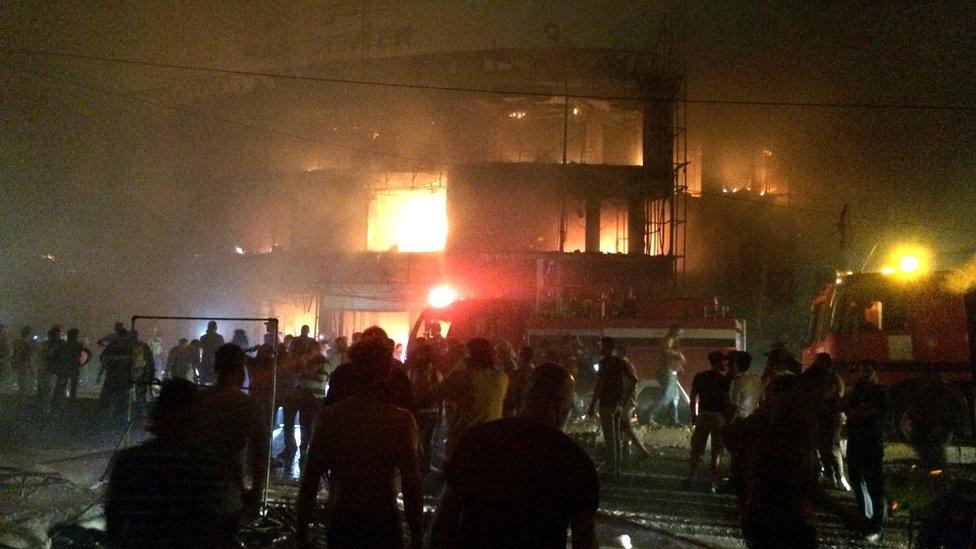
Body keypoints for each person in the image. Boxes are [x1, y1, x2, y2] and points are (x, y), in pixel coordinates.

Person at [429, 363, 599, 548]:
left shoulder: (478, 439)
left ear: (526, 397)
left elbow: (445, 519)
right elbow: (584, 540)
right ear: (560, 404)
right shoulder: (574, 460)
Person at [296, 335, 424, 549]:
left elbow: (310, 478)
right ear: (387, 371)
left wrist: (301, 534)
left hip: (343, 517)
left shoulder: (331, 416)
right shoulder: (400, 420)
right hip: (384, 519)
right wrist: (417, 535)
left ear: (353, 369)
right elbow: (411, 482)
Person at [727, 369, 869, 547]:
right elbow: (801, 479)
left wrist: (745, 508)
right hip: (787, 523)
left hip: (762, 518)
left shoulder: (769, 417)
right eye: (827, 398)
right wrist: (844, 513)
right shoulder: (794, 420)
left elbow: (734, 444)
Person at [105, 379, 241, 547]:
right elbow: (226, 527)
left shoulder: (130, 462)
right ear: (197, 418)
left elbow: (114, 526)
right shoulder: (210, 467)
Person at [185, 344, 268, 528]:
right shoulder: (248, 406)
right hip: (227, 494)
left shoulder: (198, 400)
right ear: (240, 369)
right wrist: (255, 493)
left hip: (193, 491)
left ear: (216, 368)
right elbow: (259, 456)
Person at [435, 337, 508, 458]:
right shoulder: (502, 378)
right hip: (493, 441)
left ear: (470, 356)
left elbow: (438, 392)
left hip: (465, 442)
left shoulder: (462, 377)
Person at [843, 360, 887, 541]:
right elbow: (843, 405)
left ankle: (876, 526)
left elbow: (866, 412)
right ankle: (865, 521)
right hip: (857, 442)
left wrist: (855, 410)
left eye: (868, 371)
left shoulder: (878, 392)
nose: (864, 373)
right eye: (862, 370)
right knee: (858, 482)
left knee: (873, 485)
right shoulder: (857, 391)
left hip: (870, 442)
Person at [586, 336, 637, 476]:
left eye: (602, 346)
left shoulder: (604, 364)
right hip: (618, 404)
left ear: (607, 347)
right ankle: (617, 468)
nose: (600, 348)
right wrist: (625, 400)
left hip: (606, 403)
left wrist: (592, 405)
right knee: (616, 437)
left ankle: (611, 467)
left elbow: (599, 385)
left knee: (610, 438)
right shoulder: (621, 363)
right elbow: (634, 380)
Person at [802, 352, 849, 490]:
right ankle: (833, 476)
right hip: (828, 416)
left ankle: (836, 476)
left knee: (829, 446)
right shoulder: (831, 378)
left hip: (827, 416)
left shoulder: (825, 378)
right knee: (827, 446)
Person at [686, 351, 731, 492]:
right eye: (724, 362)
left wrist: (694, 414)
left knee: (696, 450)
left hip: (704, 416)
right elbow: (728, 401)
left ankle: (689, 478)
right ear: (718, 363)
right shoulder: (725, 380)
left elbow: (693, 397)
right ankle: (712, 483)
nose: (726, 365)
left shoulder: (700, 376)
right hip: (719, 417)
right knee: (716, 452)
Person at [406, 340, 442, 474]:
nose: (419, 356)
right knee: (421, 441)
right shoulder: (420, 371)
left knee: (424, 441)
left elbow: (438, 391)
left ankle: (422, 467)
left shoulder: (432, 372)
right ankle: (422, 467)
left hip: (427, 410)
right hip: (423, 410)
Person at [650, 324, 686, 425]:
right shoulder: (669, 339)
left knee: (675, 397)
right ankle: (649, 414)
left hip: (672, 372)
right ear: (674, 331)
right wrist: (679, 355)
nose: (680, 335)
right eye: (679, 332)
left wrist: (679, 366)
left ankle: (673, 420)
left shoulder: (673, 341)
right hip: (667, 371)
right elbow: (666, 350)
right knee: (667, 396)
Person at [98, 329, 134, 426]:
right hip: (116, 377)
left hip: (118, 377)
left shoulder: (123, 347)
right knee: (113, 399)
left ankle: (111, 420)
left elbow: (103, 358)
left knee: (113, 400)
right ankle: (109, 420)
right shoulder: (116, 346)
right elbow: (103, 358)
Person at [54, 328, 91, 404]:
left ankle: (59, 404)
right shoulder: (78, 345)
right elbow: (89, 354)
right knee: (73, 389)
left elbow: (56, 355)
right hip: (74, 368)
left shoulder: (64, 345)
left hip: (65, 368)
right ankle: (71, 404)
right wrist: (83, 364)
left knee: (61, 388)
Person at [36, 325, 65, 414]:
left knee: (49, 389)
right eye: (57, 336)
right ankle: (46, 409)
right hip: (47, 369)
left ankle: (48, 408)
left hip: (52, 369)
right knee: (46, 389)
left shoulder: (55, 344)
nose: (59, 338)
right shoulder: (46, 345)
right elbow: (45, 356)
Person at [728, 351, 762, 421]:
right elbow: (761, 401)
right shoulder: (757, 379)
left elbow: (734, 406)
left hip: (740, 419)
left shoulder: (737, 381)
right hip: (753, 419)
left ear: (735, 364)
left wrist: (729, 422)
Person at [504, 345, 536, 417]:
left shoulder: (516, 373)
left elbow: (512, 391)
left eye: (518, 355)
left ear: (521, 357)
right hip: (531, 409)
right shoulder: (536, 372)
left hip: (517, 409)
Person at [11, 326, 36, 398]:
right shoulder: (28, 344)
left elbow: (14, 354)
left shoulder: (16, 342)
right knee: (25, 386)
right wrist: (31, 368)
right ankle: (23, 401)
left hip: (18, 365)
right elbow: (28, 356)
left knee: (20, 384)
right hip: (25, 366)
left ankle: (20, 400)